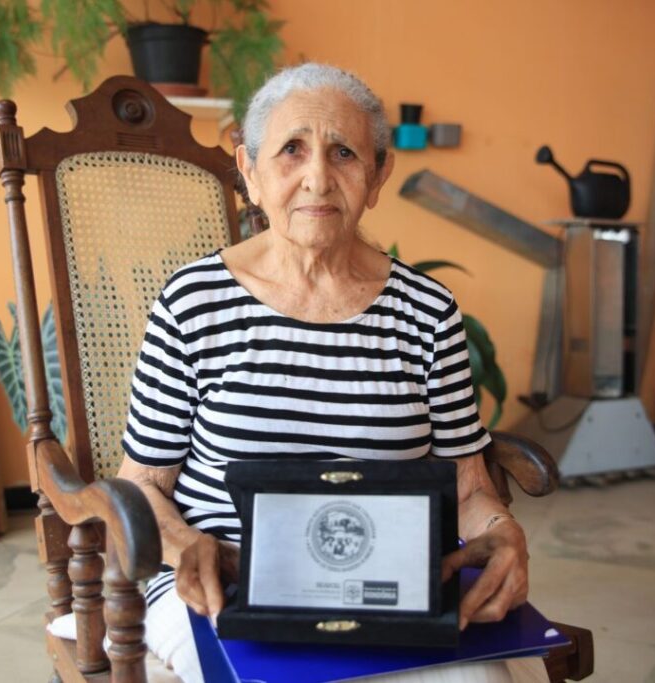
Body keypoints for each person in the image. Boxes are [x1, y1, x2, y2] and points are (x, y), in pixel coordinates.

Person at [118, 62, 545, 683]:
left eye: (343, 152)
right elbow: (142, 486)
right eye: (291, 150)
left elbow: (470, 488)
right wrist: (188, 547)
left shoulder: (428, 314)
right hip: (226, 583)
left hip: (385, 588)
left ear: (376, 177)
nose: (317, 178)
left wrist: (505, 532)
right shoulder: (193, 302)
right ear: (250, 172)